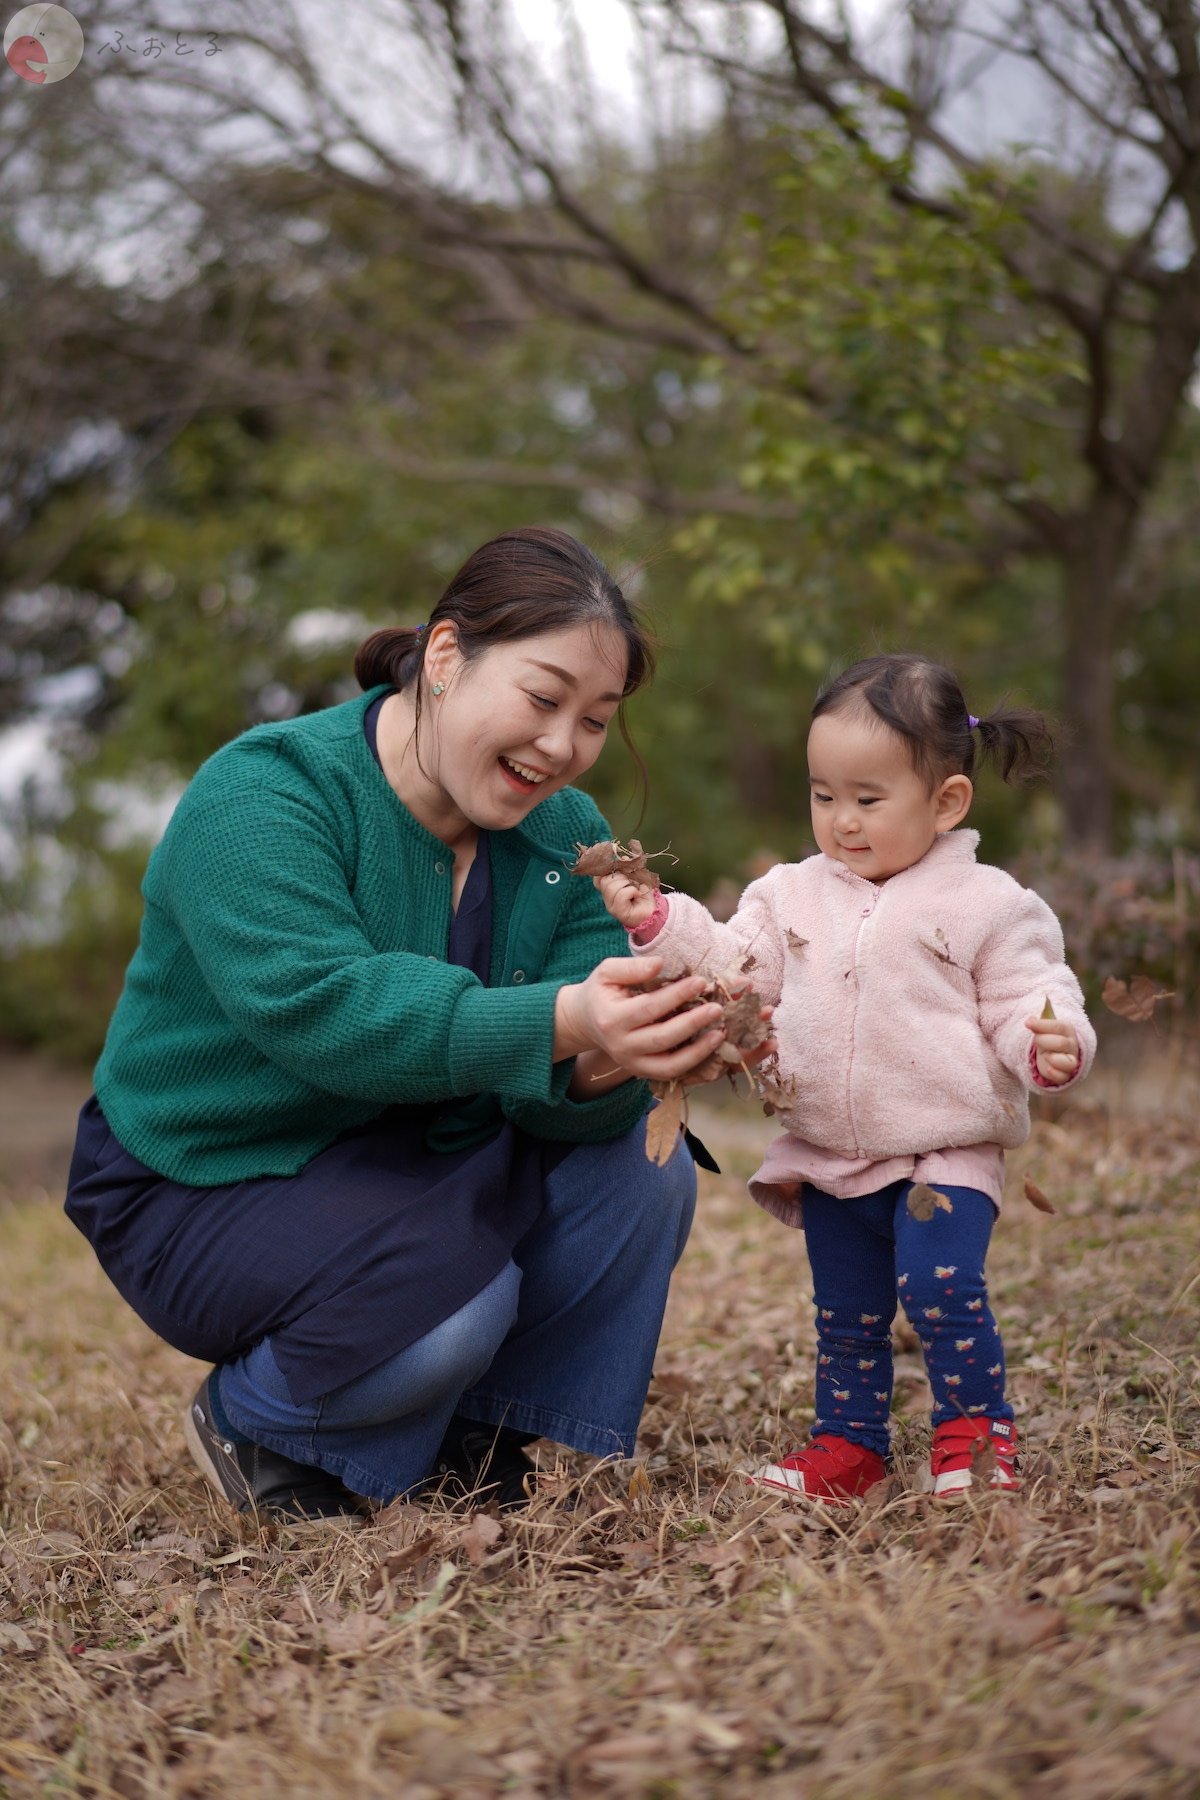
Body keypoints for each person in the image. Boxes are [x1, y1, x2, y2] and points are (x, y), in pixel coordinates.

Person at [64, 526, 733, 1520]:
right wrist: (567, 1016)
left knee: (646, 1166)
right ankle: (262, 1420)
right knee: (452, 1304)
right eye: (544, 699)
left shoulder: (567, 836)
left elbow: (551, 1087)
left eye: (594, 720)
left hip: (425, 1161)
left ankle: (476, 1437)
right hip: (213, 1172)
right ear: (447, 657)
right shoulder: (264, 796)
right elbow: (330, 1014)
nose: (561, 747)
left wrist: (609, 1056)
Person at [595, 652, 1096, 1502]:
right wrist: (663, 921)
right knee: (848, 1312)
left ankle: (973, 1436)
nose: (842, 821)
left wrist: (1048, 1040)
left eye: (869, 799)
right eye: (824, 795)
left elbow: (1029, 992)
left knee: (941, 1288)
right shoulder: (791, 895)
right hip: (830, 1145)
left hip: (946, 1144)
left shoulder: (989, 903)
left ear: (946, 801)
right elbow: (734, 965)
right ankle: (850, 1447)